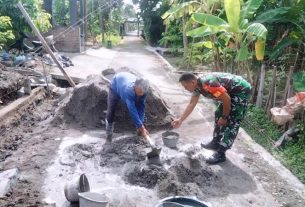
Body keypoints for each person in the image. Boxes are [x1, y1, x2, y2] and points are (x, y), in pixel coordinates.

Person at [171, 72, 252, 164]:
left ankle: (221, 153)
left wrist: (225, 117)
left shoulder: (208, 84)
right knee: (218, 113)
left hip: (241, 90)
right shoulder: (197, 87)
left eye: (185, 86)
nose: (185, 89)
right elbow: (192, 103)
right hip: (229, 92)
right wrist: (180, 120)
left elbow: (227, 99)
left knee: (232, 121)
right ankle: (215, 142)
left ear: (192, 82)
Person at [106, 72, 150, 142]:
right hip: (116, 84)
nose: (140, 95)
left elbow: (141, 106)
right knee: (111, 109)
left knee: (139, 103)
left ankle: (139, 130)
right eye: (138, 92)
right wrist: (141, 127)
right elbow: (132, 109)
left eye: (141, 93)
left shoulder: (144, 91)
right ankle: (109, 133)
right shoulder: (128, 90)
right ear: (134, 86)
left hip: (125, 80)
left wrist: (140, 125)